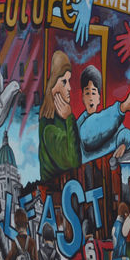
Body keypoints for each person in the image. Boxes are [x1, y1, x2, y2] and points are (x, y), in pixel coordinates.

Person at [76, 65, 130, 162]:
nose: (91, 98)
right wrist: (121, 108)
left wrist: (123, 144)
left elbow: (124, 132)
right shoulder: (80, 125)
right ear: (83, 97)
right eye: (87, 93)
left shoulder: (109, 122)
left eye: (94, 93)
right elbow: (88, 135)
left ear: (99, 98)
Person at [38, 50, 82, 182]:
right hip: (57, 196)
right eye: (64, 82)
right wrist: (70, 119)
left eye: (68, 81)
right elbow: (74, 161)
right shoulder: (49, 128)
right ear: (53, 86)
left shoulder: (59, 119)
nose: (69, 87)